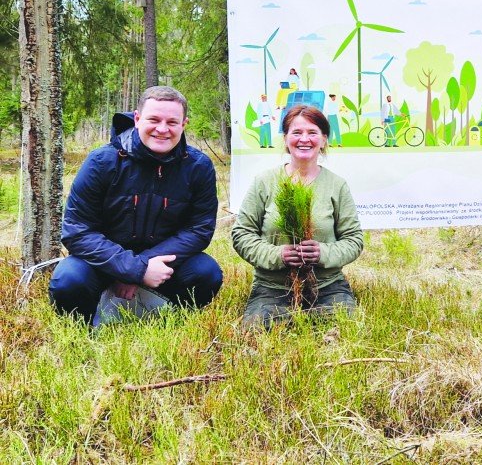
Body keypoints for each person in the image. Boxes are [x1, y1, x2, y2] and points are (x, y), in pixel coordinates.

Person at [49, 86, 222, 325]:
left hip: (162, 266)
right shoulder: (101, 162)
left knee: (206, 272)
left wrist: (145, 266)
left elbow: (199, 230)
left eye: (172, 122)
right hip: (104, 265)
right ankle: (86, 325)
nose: (162, 129)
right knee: (69, 279)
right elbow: (77, 231)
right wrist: (134, 269)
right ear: (138, 118)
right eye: (154, 120)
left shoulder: (198, 167)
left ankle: (164, 320)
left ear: (184, 124)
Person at [232, 105, 363, 328]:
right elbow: (242, 234)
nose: (304, 139)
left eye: (312, 132)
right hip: (273, 286)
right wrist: (278, 255)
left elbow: (354, 240)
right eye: (296, 132)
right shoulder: (264, 182)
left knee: (343, 328)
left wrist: (322, 252)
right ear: (285, 139)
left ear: (323, 140)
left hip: (326, 285)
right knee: (259, 330)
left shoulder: (336, 185)